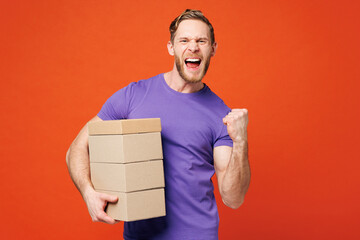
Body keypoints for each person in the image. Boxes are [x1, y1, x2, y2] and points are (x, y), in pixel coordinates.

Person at [66, 9, 251, 240]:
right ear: (171, 47)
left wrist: (241, 140)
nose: (193, 47)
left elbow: (232, 198)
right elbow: (76, 148)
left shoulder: (220, 115)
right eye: (184, 40)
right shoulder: (134, 96)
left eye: (201, 41)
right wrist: (88, 193)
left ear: (212, 49)